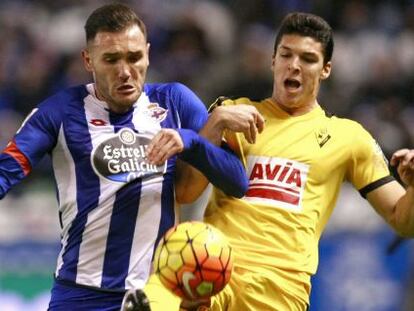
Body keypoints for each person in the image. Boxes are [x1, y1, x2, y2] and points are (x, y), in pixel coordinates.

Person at [155, 12, 414, 311]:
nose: (294, 65)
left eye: (308, 58)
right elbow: (186, 192)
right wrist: (215, 123)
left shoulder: (348, 137)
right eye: (286, 54)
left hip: (279, 292)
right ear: (273, 61)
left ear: (326, 69)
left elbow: (403, 221)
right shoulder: (234, 114)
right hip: (212, 277)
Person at [0, 3, 251, 311]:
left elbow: (238, 182)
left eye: (134, 58)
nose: (125, 72)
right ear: (88, 60)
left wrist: (190, 141)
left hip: (155, 295)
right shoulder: (59, 112)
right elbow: (6, 171)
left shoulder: (174, 102)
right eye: (111, 59)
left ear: (148, 53)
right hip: (80, 295)